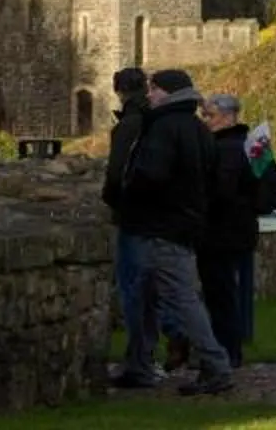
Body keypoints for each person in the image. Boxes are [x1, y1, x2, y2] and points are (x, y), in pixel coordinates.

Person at [112, 68, 234, 396]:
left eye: (154, 89)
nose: (149, 94)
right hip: (182, 223)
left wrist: (128, 194)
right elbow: (211, 181)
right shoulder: (198, 129)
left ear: (167, 93)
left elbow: (151, 176)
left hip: (158, 226)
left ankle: (216, 365)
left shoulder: (164, 128)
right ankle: (139, 364)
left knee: (179, 299)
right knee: (147, 299)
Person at [198, 93, 261, 365]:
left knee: (221, 295)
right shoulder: (251, 145)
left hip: (221, 231)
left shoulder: (224, 149)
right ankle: (231, 348)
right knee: (232, 293)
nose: (206, 121)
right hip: (243, 228)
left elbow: (221, 192)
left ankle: (226, 353)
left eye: (210, 116)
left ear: (226, 117)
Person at [95, 68, 150, 365]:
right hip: (165, 214)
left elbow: (115, 173)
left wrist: (112, 200)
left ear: (119, 91)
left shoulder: (129, 124)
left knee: (132, 287)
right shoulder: (160, 121)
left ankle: (139, 358)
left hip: (133, 214)